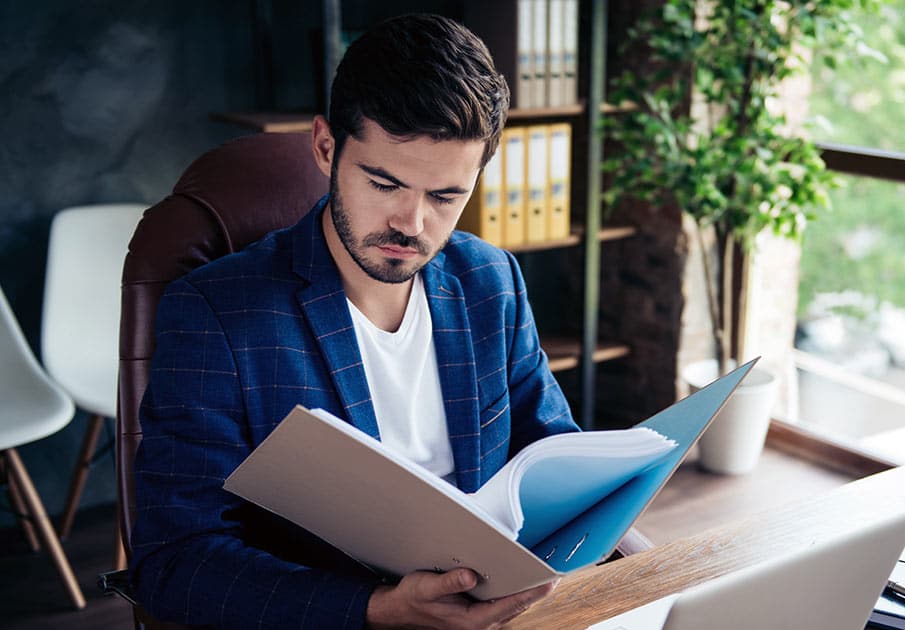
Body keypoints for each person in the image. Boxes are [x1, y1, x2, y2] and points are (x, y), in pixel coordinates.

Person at [130, 14, 577, 629]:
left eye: (446, 197)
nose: (412, 223)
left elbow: (554, 451)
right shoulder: (218, 317)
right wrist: (378, 610)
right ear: (325, 148)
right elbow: (173, 563)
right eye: (385, 183)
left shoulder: (490, 281)